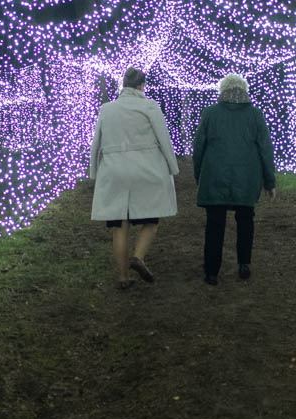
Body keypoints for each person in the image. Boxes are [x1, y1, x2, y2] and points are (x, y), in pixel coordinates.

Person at [89, 67, 179, 289]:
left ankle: (123, 278)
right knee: (151, 218)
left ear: (124, 85)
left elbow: (96, 144)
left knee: (119, 226)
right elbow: (163, 140)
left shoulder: (106, 109)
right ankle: (138, 257)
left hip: (114, 171)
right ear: (141, 85)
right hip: (146, 169)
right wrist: (172, 167)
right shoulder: (150, 106)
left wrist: (94, 172)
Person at [192, 73, 276, 285]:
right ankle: (244, 264)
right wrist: (269, 181)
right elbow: (265, 149)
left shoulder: (210, 113)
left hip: (215, 176)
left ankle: (212, 272)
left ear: (222, 90)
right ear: (244, 90)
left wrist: (199, 174)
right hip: (246, 177)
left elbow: (198, 147)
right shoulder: (255, 115)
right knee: (246, 220)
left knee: (214, 225)